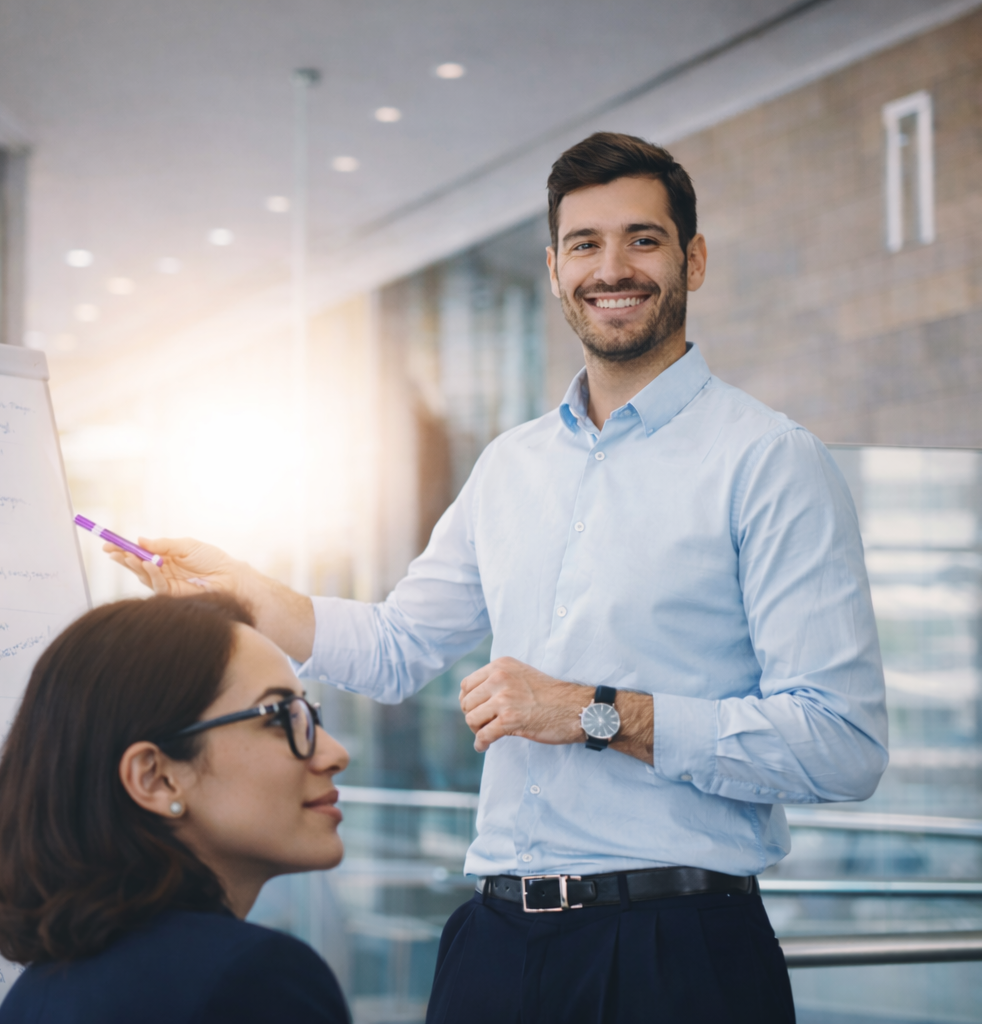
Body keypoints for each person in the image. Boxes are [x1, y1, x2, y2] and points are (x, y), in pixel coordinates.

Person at [106, 132, 889, 1023]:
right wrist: (245, 593)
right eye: (585, 245)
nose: (613, 268)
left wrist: (590, 711)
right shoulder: (511, 466)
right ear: (555, 271)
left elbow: (841, 744)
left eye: (644, 238)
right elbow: (400, 648)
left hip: (677, 952)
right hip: (494, 943)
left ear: (693, 260)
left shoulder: (769, 461)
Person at [0, 593, 351, 1024]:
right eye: (281, 717)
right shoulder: (251, 979)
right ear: (156, 778)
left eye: (311, 716)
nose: (335, 754)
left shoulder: (35, 994)